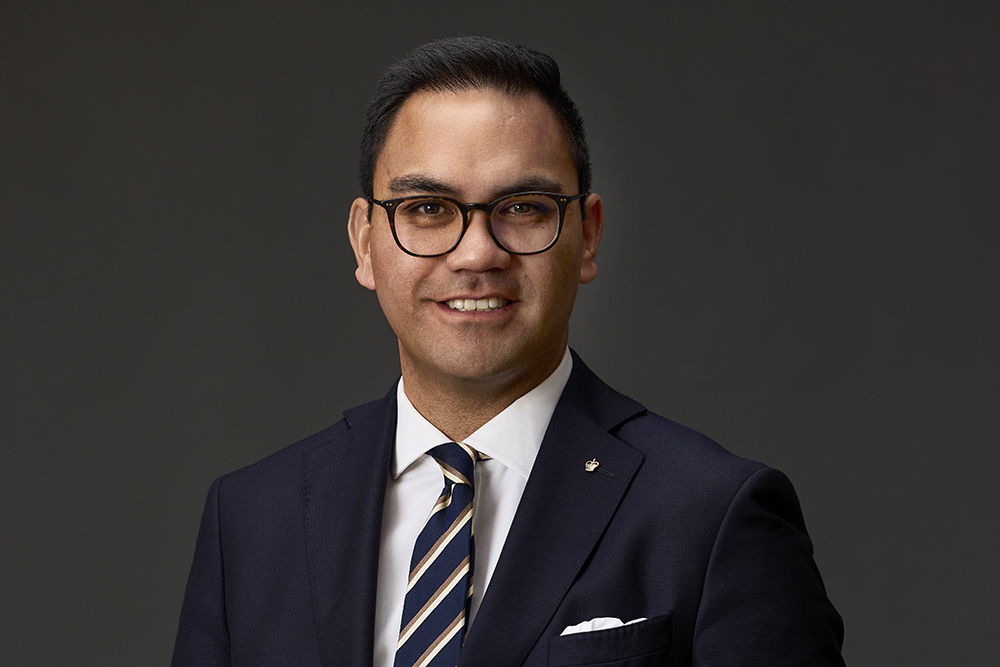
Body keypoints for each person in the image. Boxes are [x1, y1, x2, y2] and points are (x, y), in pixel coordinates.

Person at [171, 37, 845, 667]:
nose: (476, 254)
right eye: (428, 208)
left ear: (587, 235)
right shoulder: (252, 520)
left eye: (523, 207)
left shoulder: (712, 514)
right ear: (364, 242)